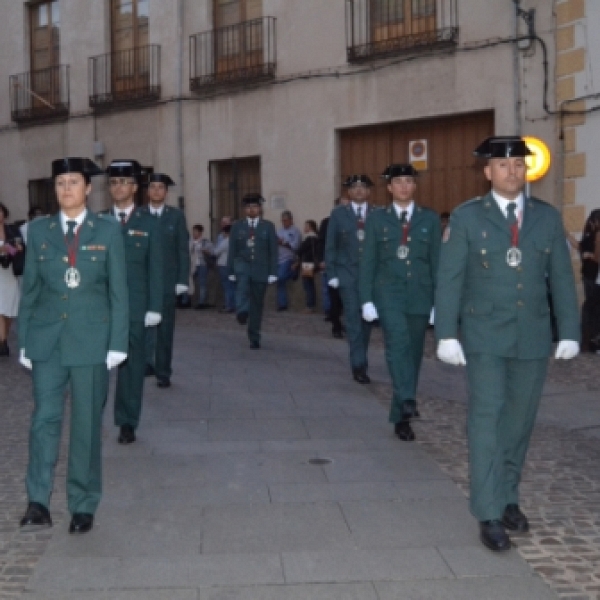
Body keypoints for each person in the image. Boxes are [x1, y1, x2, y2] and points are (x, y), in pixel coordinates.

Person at [435, 136, 580, 552]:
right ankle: (489, 511)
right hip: (484, 336)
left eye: (518, 165)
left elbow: (562, 280)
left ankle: (509, 496)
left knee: (518, 422)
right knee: (486, 420)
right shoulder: (466, 218)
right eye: (502, 165)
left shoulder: (545, 218)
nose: (512, 172)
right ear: (488, 173)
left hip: (531, 337)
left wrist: (568, 330)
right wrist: (447, 333)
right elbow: (451, 279)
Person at [18, 157, 129, 535]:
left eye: (73, 182)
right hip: (47, 341)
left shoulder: (108, 230)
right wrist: (24, 339)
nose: (66, 189)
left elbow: (119, 291)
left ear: (87, 189)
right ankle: (37, 500)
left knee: (85, 425)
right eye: (60, 182)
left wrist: (117, 343)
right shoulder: (38, 231)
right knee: (43, 422)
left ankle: (82, 504)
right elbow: (30, 288)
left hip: (91, 342)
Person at [360, 164, 441, 441]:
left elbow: (436, 263)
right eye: (399, 182)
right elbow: (368, 261)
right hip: (388, 292)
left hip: (420, 293)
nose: (405, 186)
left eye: (409, 181)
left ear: (414, 186)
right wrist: (366, 299)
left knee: (414, 354)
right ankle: (408, 398)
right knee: (397, 344)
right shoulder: (377, 220)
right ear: (390, 188)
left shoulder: (429, 219)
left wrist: (438, 303)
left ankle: (401, 416)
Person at [104, 160, 164, 445]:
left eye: (124, 182)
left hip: (135, 307)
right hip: (100, 308)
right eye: (114, 183)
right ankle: (91, 418)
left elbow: (156, 268)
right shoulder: (98, 221)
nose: (118, 187)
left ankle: (127, 421)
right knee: (94, 368)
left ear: (134, 187)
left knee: (131, 367)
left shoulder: (148, 223)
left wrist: (154, 307)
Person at [325, 175, 375, 383]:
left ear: (369, 191)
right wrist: (333, 274)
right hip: (348, 274)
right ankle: (358, 364)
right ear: (349, 192)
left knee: (367, 322)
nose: (359, 191)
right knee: (353, 319)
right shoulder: (338, 215)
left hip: (372, 277)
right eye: (354, 187)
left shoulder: (379, 214)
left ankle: (361, 356)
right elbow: (331, 246)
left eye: (363, 187)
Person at [143, 173, 190, 387]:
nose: (156, 191)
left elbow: (182, 249)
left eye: (160, 187)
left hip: (167, 282)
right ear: (147, 191)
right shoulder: (139, 215)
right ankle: (145, 363)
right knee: (143, 326)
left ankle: (163, 371)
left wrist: (182, 280)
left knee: (165, 328)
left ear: (166, 192)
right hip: (142, 282)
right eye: (153, 187)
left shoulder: (176, 216)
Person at [227, 193, 278, 348]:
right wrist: (231, 270)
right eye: (248, 207)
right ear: (244, 210)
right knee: (242, 289)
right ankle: (242, 311)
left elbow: (273, 250)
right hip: (242, 265)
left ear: (260, 208)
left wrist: (273, 272)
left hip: (261, 269)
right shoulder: (237, 226)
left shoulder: (268, 226)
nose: (252, 210)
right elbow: (232, 249)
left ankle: (254, 336)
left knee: (257, 304)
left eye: (255, 207)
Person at [319, 197, 348, 338]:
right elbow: (322, 242)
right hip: (333, 264)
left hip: (348, 266)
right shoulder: (327, 222)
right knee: (334, 296)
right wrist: (322, 260)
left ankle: (345, 323)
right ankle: (336, 325)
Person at [0, 202, 23, 356]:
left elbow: (22, 246)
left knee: (8, 311)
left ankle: (4, 337)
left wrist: (16, 249)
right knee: (0, 309)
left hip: (10, 272)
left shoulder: (12, 229)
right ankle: (2, 343)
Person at [576, 210, 600, 351]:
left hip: (594, 275)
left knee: (591, 308)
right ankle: (591, 340)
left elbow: (597, 258)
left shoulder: (597, 235)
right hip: (592, 275)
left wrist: (590, 255)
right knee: (593, 308)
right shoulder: (590, 235)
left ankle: (590, 339)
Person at [275, 210, 301, 311]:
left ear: (291, 220)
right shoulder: (279, 231)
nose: (284, 222)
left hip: (288, 258)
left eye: (286, 220)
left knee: (281, 277)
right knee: (279, 281)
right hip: (278, 259)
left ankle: (293, 272)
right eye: (282, 220)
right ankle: (282, 304)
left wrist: (284, 242)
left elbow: (296, 246)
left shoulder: (295, 231)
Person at [297, 220, 321, 313]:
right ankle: (310, 305)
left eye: (306, 226)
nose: (304, 228)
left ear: (310, 227)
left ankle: (310, 305)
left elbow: (300, 250)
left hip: (307, 264)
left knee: (308, 285)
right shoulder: (315, 238)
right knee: (309, 284)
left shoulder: (310, 238)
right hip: (310, 263)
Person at [190, 224, 214, 309]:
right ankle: (188, 300)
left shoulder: (205, 242)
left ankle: (202, 302)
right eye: (193, 231)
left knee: (202, 283)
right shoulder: (190, 241)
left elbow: (212, 252)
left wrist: (206, 251)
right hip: (192, 264)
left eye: (196, 231)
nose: (194, 233)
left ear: (200, 232)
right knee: (190, 282)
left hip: (202, 264)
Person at [213, 224, 235, 313]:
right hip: (232, 265)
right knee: (233, 286)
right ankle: (234, 304)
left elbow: (216, 252)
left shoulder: (225, 241)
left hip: (223, 265)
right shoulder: (235, 241)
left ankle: (228, 305)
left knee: (227, 286)